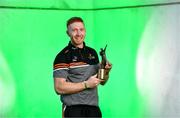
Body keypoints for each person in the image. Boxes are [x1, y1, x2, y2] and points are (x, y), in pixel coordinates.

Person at [53, 17, 112, 117]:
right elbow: (59, 88)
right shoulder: (62, 56)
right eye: (74, 30)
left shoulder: (92, 53)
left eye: (81, 29)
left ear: (85, 31)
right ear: (68, 33)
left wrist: (106, 71)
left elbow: (102, 81)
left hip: (93, 109)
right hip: (73, 110)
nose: (79, 33)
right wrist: (86, 84)